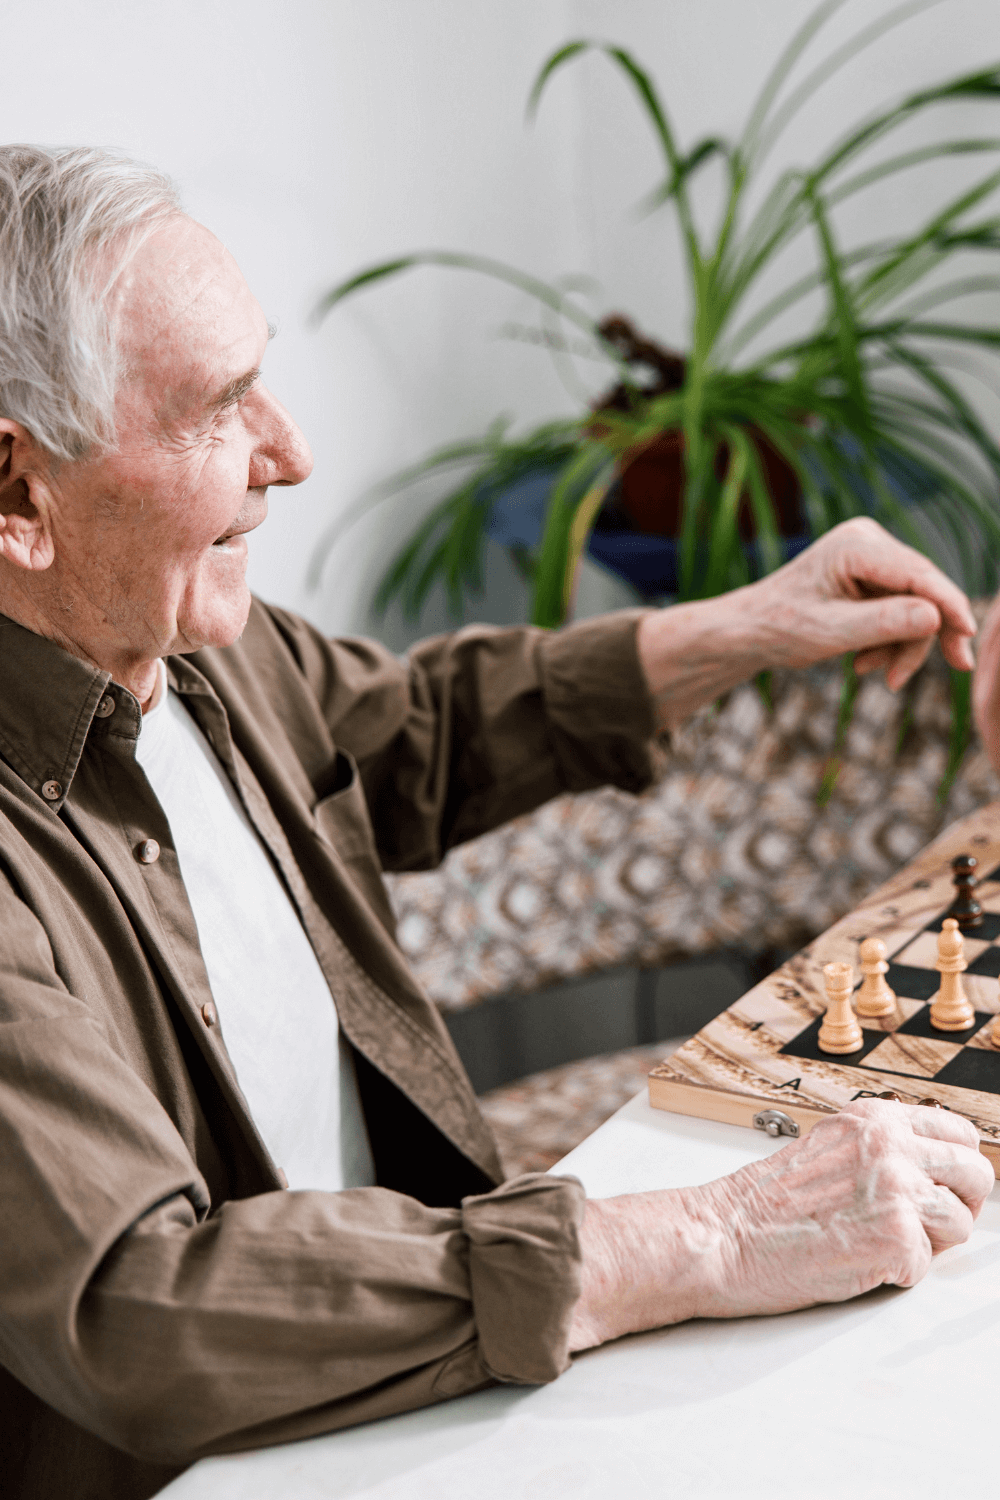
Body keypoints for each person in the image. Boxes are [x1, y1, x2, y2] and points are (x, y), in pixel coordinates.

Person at [0, 146, 992, 1500]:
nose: (290, 453)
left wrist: (744, 626)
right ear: (16, 494)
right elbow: (142, 1304)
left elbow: (422, 729)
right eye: (220, 408)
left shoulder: (189, 645)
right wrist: (702, 1238)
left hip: (421, 1377)